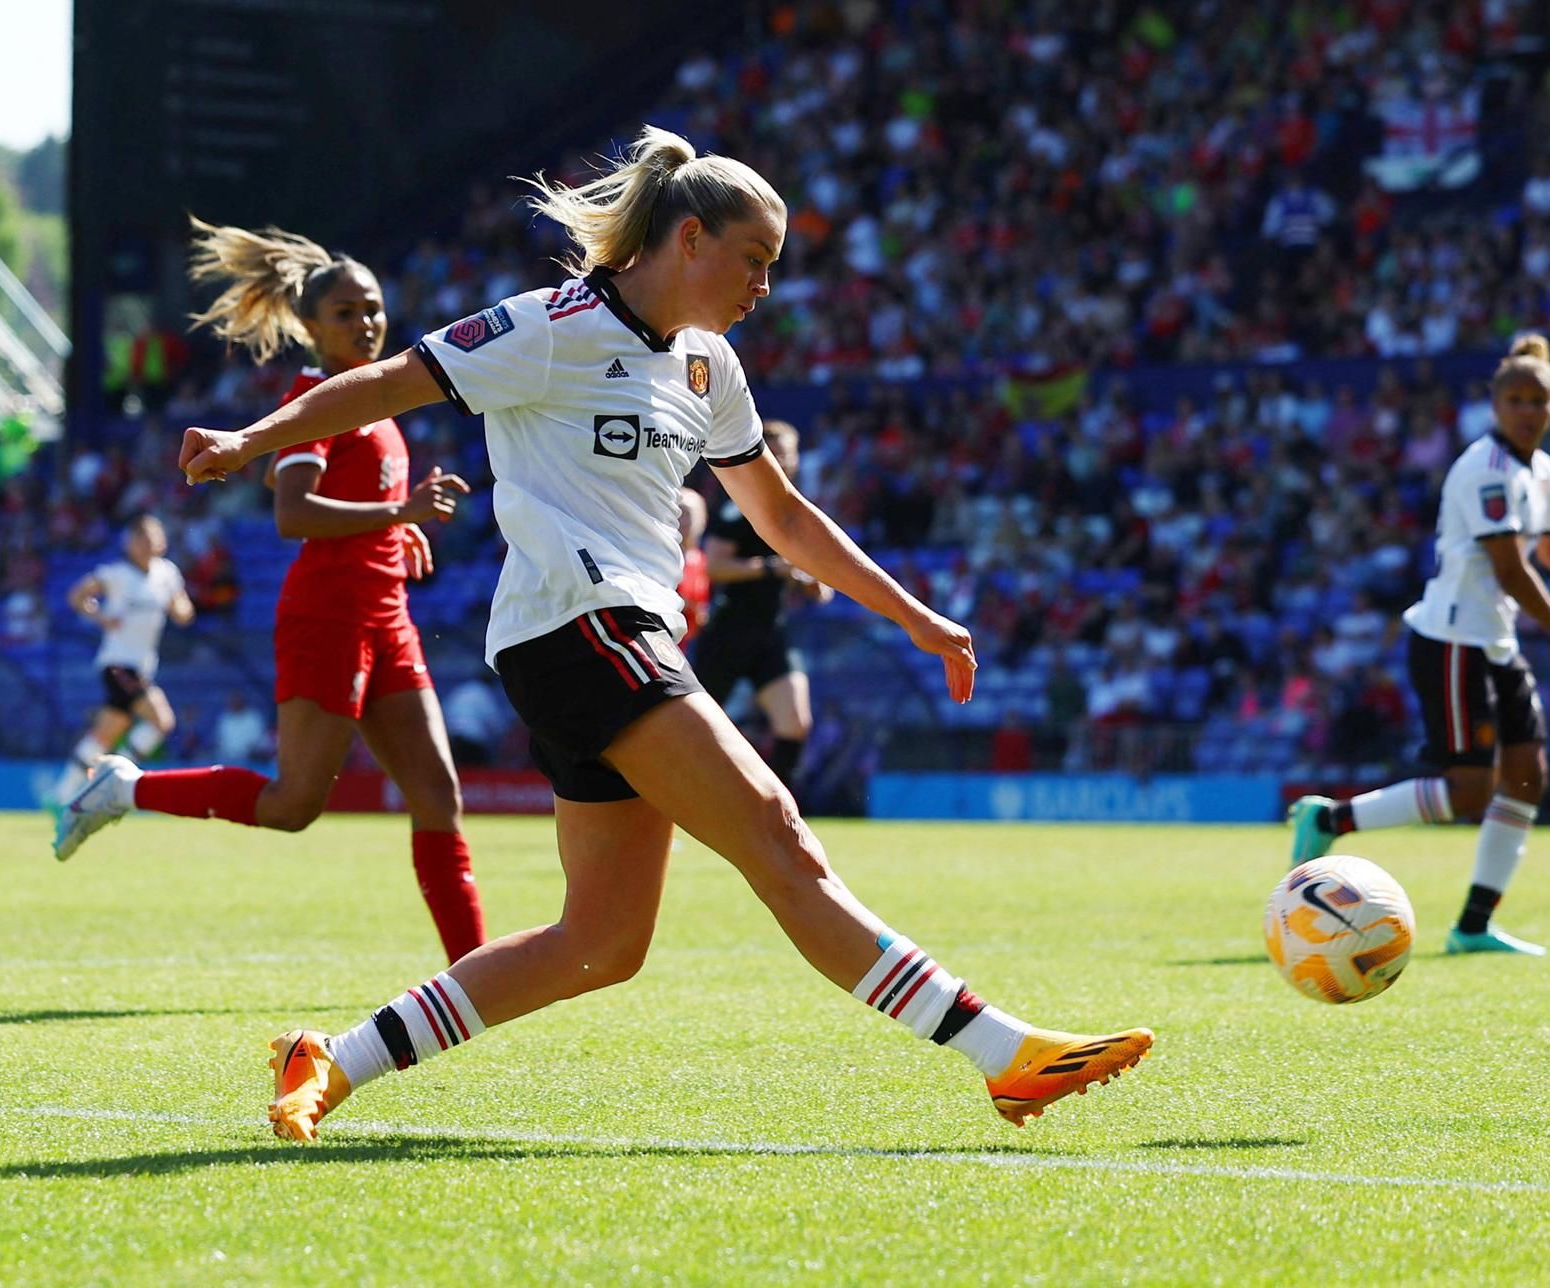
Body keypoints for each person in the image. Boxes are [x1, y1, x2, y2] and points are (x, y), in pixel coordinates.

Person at [168, 125, 1150, 1141]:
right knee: (775, 832)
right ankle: (1006, 1054)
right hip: (577, 622)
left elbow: (783, 518)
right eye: (754, 260)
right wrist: (250, 440)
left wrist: (914, 615)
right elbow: (388, 382)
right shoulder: (546, 326)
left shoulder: (708, 368)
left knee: (600, 942)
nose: (763, 286)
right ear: (688, 238)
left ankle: (333, 1057)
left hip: (618, 636)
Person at [54, 217, 486, 966]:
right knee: (293, 807)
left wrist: (393, 531)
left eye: (373, 306)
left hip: (386, 614)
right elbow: (291, 515)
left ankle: (474, 982)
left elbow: (354, 509)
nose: (366, 321)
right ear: (311, 325)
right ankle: (124, 788)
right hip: (327, 616)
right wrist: (401, 512)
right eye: (345, 312)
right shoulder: (313, 397)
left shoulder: (376, 399)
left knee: (439, 797)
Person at [1287, 335, 1550, 954]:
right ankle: (1330, 819)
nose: (1526, 410)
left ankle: (1474, 924)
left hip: (1492, 640)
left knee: (1527, 777)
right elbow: (1510, 568)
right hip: (1451, 641)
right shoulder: (1484, 470)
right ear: (1496, 405)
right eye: (1515, 399)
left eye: (1538, 400)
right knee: (1470, 789)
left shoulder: (1541, 470)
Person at [689, 420, 830, 792]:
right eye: (777, 453)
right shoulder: (739, 507)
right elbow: (714, 566)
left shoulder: (795, 511)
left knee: (795, 722)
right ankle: (669, 805)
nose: (784, 460)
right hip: (729, 631)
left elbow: (819, 579)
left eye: (789, 453)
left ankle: (779, 815)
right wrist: (771, 568)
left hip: (772, 632)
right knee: (693, 730)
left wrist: (812, 583)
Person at [46, 514, 195, 806]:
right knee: (161, 720)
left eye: (151, 539)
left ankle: (62, 794)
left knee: (106, 734)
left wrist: (179, 608)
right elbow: (78, 595)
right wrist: (99, 617)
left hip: (142, 666)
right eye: (140, 539)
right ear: (130, 543)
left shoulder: (166, 574)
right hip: (118, 663)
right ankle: (111, 783)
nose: (146, 545)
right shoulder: (116, 574)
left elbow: (184, 611)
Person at [674, 486, 711, 641]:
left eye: (687, 514)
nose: (682, 521)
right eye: (678, 513)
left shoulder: (702, 561)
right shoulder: (661, 556)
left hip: (691, 641)